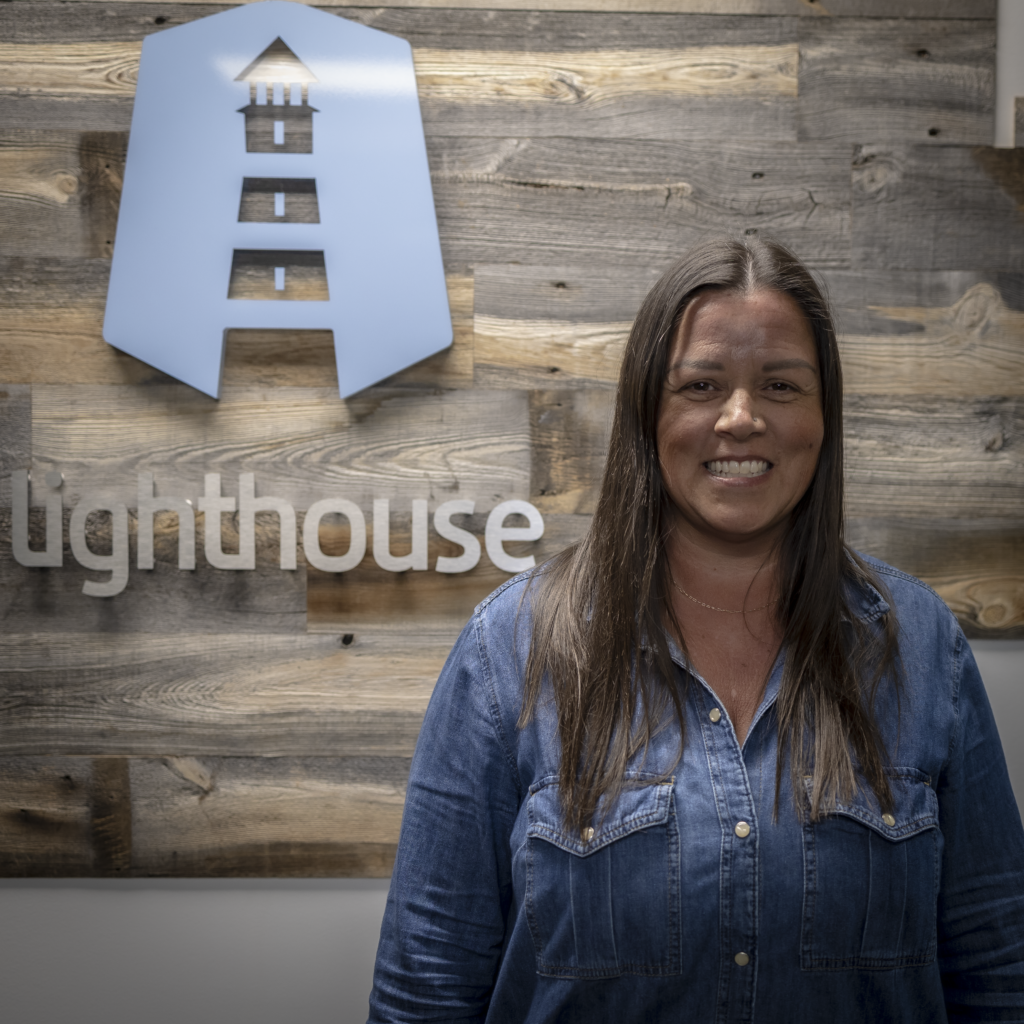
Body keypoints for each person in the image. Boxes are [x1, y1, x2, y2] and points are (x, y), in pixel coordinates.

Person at [368, 238, 1024, 1022]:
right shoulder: (509, 648)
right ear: (649, 412)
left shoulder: (919, 646)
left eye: (780, 385)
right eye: (701, 384)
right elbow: (427, 988)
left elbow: (998, 970)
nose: (741, 418)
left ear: (823, 418)